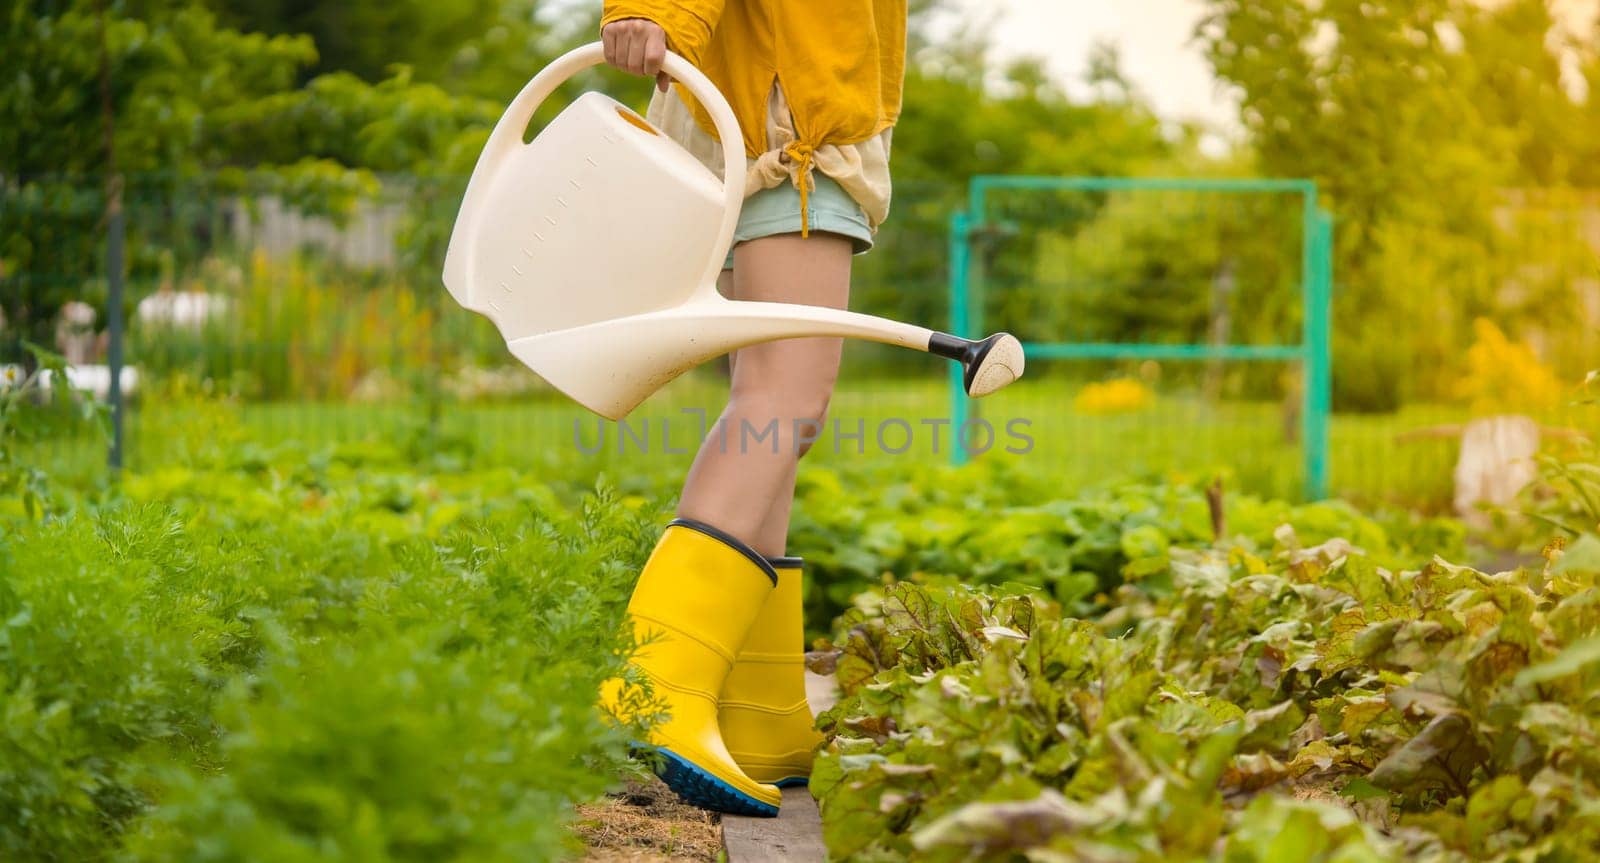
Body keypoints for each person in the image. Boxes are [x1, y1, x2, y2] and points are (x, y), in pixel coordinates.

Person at [594, 0, 907, 816]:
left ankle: (758, 716)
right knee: (782, 399)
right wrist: (651, 13)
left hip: (769, 113)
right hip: (784, 125)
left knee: (778, 409)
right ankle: (658, 680)